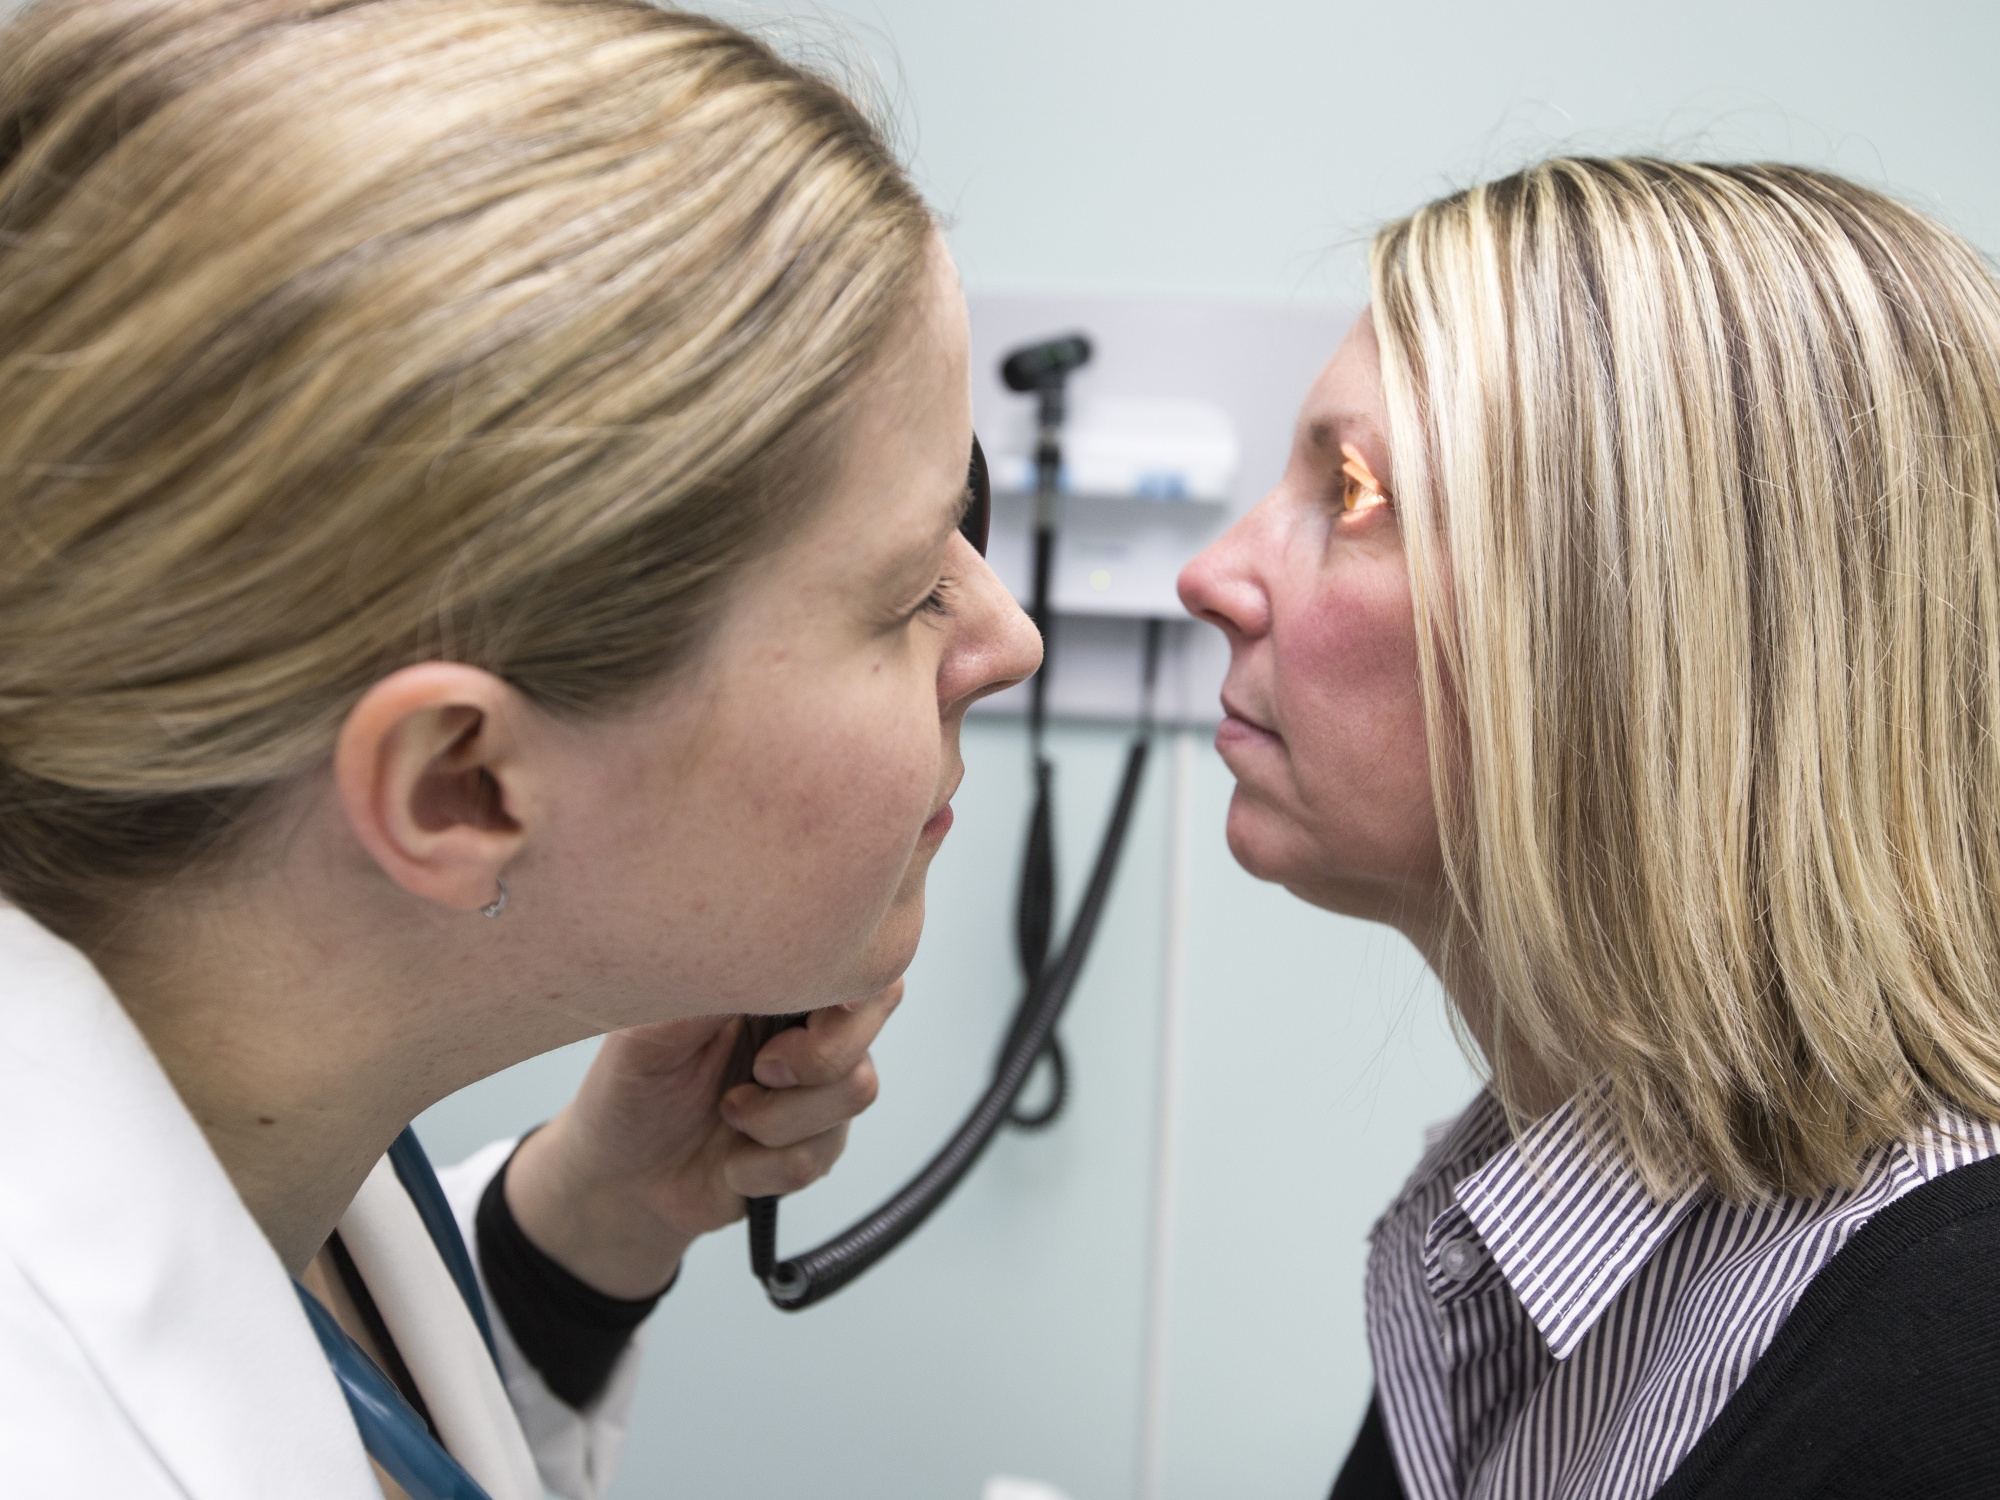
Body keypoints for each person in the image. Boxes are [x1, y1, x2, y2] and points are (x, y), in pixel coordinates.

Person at [0, 2, 1039, 1497]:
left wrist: (588, 1230)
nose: (1008, 639)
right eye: (905, 594)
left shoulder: (254, 1109)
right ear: (458, 786)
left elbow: (311, 1395)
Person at [1179, 157, 2000, 1500]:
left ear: (1638, 638)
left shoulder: (1956, 1381)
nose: (1212, 575)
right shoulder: (1528, 1251)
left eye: (1354, 496)